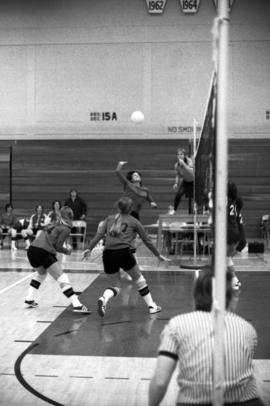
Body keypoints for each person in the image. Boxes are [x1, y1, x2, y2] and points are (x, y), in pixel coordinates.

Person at [149, 267, 264, 406]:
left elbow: (160, 381)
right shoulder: (247, 328)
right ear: (227, 295)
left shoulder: (177, 325)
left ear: (196, 294)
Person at [82, 196, 169, 317]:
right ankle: (152, 306)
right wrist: (158, 255)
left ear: (118, 207)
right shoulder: (134, 221)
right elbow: (147, 241)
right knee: (140, 280)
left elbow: (98, 235)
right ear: (131, 208)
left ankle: (104, 298)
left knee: (115, 286)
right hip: (123, 253)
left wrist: (89, 248)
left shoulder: (109, 219)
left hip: (107, 255)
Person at [24, 206, 90, 313]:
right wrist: (67, 251)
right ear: (70, 216)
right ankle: (77, 305)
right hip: (43, 251)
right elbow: (58, 246)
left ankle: (29, 298)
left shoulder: (54, 223)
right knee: (62, 278)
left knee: (41, 274)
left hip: (32, 250)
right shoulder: (66, 228)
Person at [170, 148, 194, 215]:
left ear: (184, 155)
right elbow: (177, 175)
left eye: (181, 154)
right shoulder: (176, 165)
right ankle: (174, 210)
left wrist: (183, 164)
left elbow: (191, 171)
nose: (180, 156)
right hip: (186, 181)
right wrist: (176, 183)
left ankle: (205, 210)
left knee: (197, 197)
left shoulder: (189, 161)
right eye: (178, 154)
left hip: (194, 181)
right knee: (178, 194)